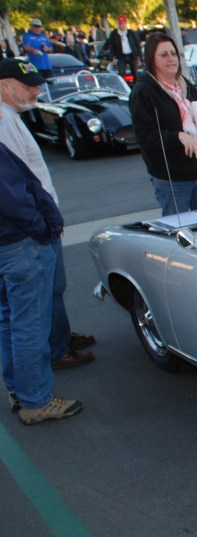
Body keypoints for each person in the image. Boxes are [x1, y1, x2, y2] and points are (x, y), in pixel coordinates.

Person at [0, 58, 95, 371]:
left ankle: (60, 338)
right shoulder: (3, 121)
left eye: (37, 84)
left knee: (53, 289)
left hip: (37, 221)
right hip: (29, 228)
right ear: (5, 85)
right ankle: (55, 351)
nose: (36, 89)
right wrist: (41, 224)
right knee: (37, 304)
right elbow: (13, 188)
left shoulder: (11, 115)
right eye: (28, 85)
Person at [0, 140, 83, 424]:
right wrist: (43, 226)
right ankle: (35, 400)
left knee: (10, 321)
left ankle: (19, 389)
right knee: (30, 325)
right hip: (18, 244)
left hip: (8, 245)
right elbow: (14, 198)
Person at [130, 33, 197, 220]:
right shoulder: (144, 91)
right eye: (164, 55)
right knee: (181, 232)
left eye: (173, 53)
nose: (171, 59)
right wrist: (178, 136)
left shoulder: (185, 85)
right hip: (172, 178)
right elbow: (144, 136)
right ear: (152, 59)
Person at [103, 16, 140, 82]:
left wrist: (139, 57)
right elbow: (112, 47)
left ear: (125, 23)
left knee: (135, 74)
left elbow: (137, 45)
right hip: (121, 56)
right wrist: (112, 58)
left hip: (132, 55)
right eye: (119, 24)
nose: (121, 25)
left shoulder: (131, 33)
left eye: (122, 23)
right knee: (121, 74)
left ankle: (136, 88)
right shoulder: (114, 34)